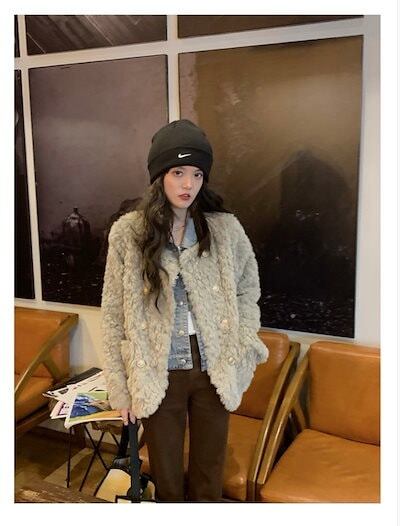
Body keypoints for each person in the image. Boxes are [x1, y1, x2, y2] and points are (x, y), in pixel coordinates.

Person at [101, 119, 269, 503]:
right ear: (159, 176)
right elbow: (113, 314)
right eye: (178, 172)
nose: (188, 184)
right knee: (167, 477)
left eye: (196, 174)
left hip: (215, 368)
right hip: (158, 369)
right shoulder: (129, 233)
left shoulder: (225, 230)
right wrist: (120, 388)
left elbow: (248, 289)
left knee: (209, 475)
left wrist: (242, 341)